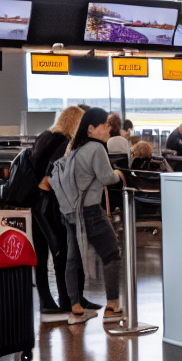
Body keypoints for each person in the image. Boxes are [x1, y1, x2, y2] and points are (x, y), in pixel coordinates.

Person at [59, 107, 126, 326]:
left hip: (71, 213)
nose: (110, 128)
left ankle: (76, 308)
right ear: (91, 128)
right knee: (111, 254)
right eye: (105, 124)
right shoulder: (97, 148)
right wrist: (119, 175)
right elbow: (106, 177)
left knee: (73, 258)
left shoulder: (74, 150)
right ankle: (112, 305)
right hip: (90, 212)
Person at [29, 106, 84, 318]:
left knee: (41, 254)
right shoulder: (63, 142)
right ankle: (66, 299)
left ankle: (47, 301)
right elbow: (53, 174)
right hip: (48, 203)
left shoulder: (44, 136)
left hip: (35, 202)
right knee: (62, 251)